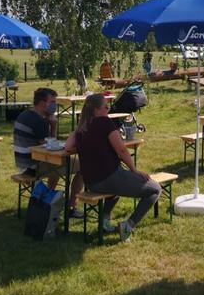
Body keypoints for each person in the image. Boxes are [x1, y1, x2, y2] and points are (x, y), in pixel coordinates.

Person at [64, 93, 160, 241]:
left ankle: (104, 221)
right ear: (96, 110)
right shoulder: (104, 123)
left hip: (92, 183)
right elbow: (121, 150)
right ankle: (128, 226)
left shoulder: (81, 129)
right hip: (109, 178)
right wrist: (134, 171)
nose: (108, 110)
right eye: (105, 107)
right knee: (155, 189)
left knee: (115, 192)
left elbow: (68, 146)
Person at [13, 87, 84, 217]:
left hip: (22, 163)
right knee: (83, 167)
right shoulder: (39, 120)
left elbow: (46, 146)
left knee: (56, 165)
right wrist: (54, 126)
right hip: (32, 166)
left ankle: (47, 199)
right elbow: (49, 148)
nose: (54, 105)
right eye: (52, 102)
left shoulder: (25, 114)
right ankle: (72, 206)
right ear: (41, 103)